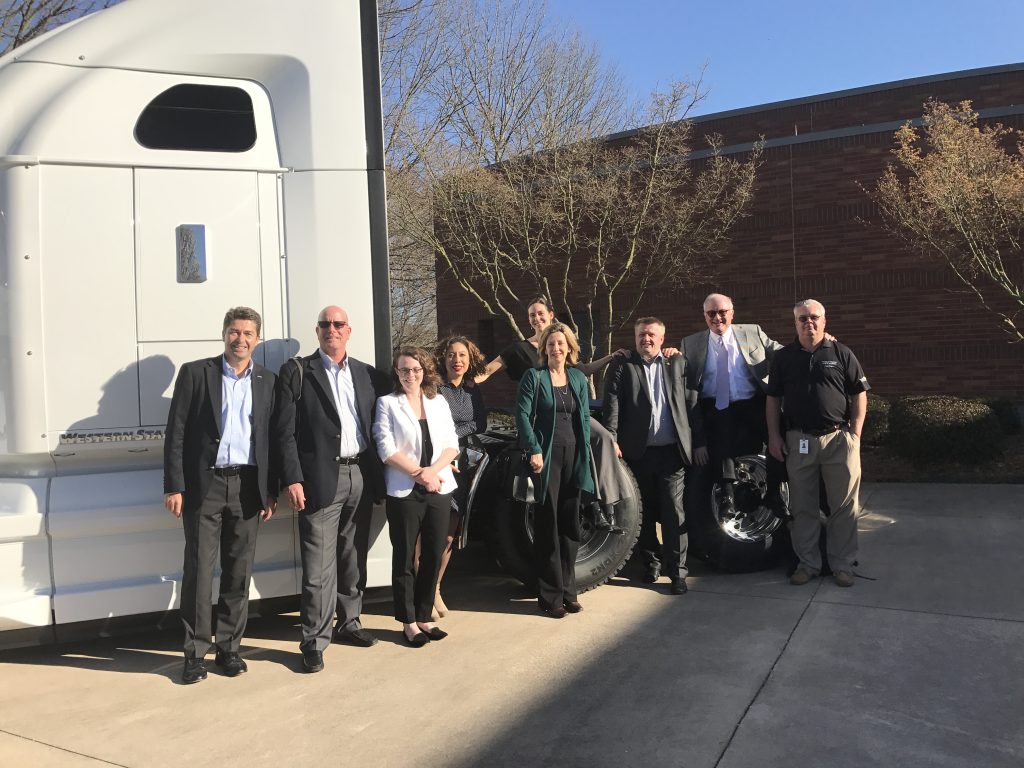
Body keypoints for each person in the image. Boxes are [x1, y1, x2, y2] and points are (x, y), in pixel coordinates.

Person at [163, 306, 277, 684]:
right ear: (224, 334)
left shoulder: (268, 381)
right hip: (203, 487)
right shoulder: (197, 373)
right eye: (234, 331)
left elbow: (272, 441)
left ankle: (229, 647)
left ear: (257, 339)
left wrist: (269, 491)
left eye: (247, 333)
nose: (239, 339)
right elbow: (176, 433)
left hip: (247, 487)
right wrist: (174, 484)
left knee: (238, 571)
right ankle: (194, 652)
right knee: (198, 570)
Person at [273, 305, 390, 673]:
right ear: (317, 330)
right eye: (325, 324)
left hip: (361, 475)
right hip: (320, 480)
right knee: (318, 566)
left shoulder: (367, 374)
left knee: (353, 557)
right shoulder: (298, 372)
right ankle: (314, 640)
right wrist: (291, 477)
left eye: (338, 324)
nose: (332, 329)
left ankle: (350, 622)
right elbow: (284, 431)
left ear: (349, 331)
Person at [477, 296, 639, 531]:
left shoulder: (560, 344)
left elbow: (582, 370)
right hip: (543, 418)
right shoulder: (519, 350)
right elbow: (489, 369)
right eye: (532, 314)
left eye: (540, 313)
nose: (536, 318)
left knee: (603, 437)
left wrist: (610, 357)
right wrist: (462, 381)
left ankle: (606, 504)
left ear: (551, 315)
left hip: (571, 412)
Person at [766, 300, 869, 588]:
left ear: (824, 321)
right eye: (802, 318)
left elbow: (859, 393)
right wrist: (774, 436)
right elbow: (772, 399)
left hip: (838, 440)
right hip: (799, 440)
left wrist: (855, 434)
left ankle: (843, 565)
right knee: (803, 507)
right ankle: (808, 564)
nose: (808, 323)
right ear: (795, 322)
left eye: (814, 317)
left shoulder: (840, 352)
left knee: (843, 507)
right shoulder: (784, 358)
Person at [603, 317, 702, 595]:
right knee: (642, 512)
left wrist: (699, 442)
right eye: (641, 335)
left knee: (673, 510)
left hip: (672, 452)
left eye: (651, 335)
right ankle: (652, 563)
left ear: (662, 338)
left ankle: (677, 571)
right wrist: (611, 438)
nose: (646, 339)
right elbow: (612, 402)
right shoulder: (623, 365)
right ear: (635, 338)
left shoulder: (678, 363)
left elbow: (693, 405)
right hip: (637, 453)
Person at [373, 347, 460, 646]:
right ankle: (408, 622)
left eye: (416, 369)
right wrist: (419, 473)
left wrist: (433, 472)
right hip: (404, 490)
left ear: (425, 371)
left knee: (433, 553)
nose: (410, 374)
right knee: (406, 556)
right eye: (404, 369)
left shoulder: (438, 402)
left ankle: (424, 616)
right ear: (396, 373)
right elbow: (385, 448)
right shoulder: (387, 404)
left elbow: (452, 444)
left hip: (439, 486)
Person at [682, 293, 785, 518]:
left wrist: (820, 342)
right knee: (720, 436)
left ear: (732, 313)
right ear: (704, 316)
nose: (717, 317)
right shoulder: (691, 343)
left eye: (722, 312)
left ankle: (775, 493)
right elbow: (683, 378)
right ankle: (726, 496)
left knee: (778, 437)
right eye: (711, 313)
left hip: (751, 401)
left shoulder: (752, 332)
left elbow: (782, 353)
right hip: (717, 404)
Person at [515, 322, 594, 617]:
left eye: (561, 344)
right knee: (548, 527)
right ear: (544, 349)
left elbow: (584, 417)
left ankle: (569, 591)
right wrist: (534, 447)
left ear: (569, 348)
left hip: (574, 454)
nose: (556, 348)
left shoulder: (576, 377)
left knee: (570, 526)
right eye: (550, 344)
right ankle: (550, 597)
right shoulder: (533, 377)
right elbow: (522, 414)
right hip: (546, 458)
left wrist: (588, 453)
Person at [433, 335, 488, 617]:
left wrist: (455, 434)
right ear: (444, 358)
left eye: (462, 355)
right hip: (438, 464)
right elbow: (432, 424)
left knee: (451, 533)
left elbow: (480, 422)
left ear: (470, 359)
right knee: (431, 532)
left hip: (462, 465)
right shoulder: (434, 388)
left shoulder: (471, 389)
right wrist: (452, 437)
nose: (457, 360)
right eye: (452, 355)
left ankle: (436, 588)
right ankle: (424, 590)